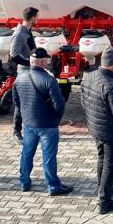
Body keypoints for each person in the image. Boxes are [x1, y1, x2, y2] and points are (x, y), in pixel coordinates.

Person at [81, 46, 113, 214]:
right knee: (110, 165)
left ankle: (103, 188)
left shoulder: (88, 77)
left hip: (95, 127)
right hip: (111, 132)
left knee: (102, 159)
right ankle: (104, 201)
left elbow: (84, 102)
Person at [13, 48, 71, 196]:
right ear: (44, 62)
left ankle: (24, 182)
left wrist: (24, 117)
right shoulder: (49, 80)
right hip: (47, 124)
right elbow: (59, 105)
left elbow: (17, 103)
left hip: (29, 123)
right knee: (49, 156)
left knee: (27, 153)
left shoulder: (19, 79)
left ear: (30, 61)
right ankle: (53, 186)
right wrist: (56, 119)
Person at [11, 6, 39, 144]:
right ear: (33, 18)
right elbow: (14, 56)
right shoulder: (19, 34)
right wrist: (30, 62)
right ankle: (16, 131)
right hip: (24, 73)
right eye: (37, 17)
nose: (37, 19)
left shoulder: (27, 31)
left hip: (32, 71)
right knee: (22, 102)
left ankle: (31, 128)